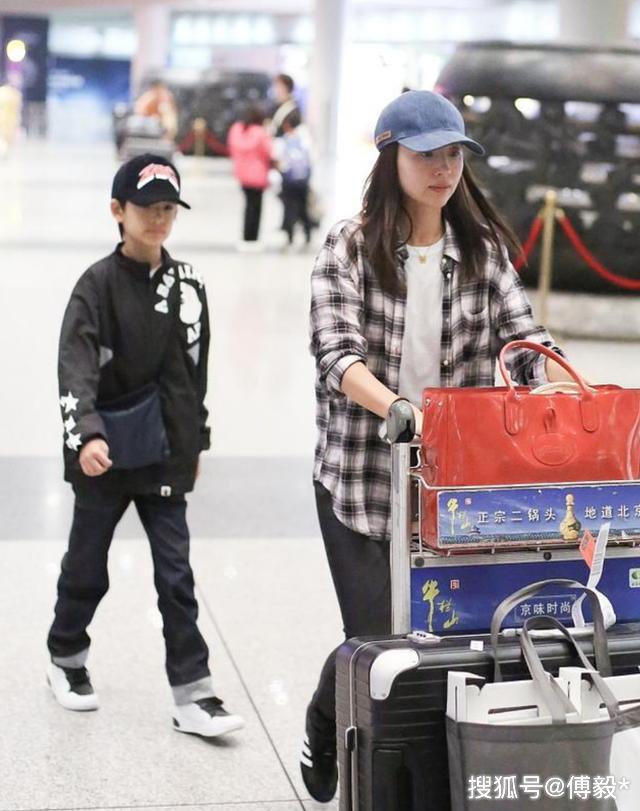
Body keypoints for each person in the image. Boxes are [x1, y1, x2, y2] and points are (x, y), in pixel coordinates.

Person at [302, 90, 575, 802]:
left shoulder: (481, 250)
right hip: (361, 478)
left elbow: (523, 339)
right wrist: (396, 408)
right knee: (375, 638)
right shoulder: (347, 246)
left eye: (454, 154)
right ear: (391, 157)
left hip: (446, 489)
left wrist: (556, 386)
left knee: (430, 641)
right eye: (427, 155)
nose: (443, 169)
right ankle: (327, 718)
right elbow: (336, 354)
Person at [46, 153, 244, 739]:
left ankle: (193, 694)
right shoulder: (95, 286)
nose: (159, 220)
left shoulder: (189, 286)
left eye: (168, 210)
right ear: (118, 210)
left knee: (176, 576)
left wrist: (196, 442)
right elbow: (74, 366)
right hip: (103, 454)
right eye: (147, 208)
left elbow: (193, 373)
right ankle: (65, 657)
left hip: (163, 453)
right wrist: (86, 434)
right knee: (87, 565)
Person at [226, 104, 272, 248]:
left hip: (242, 173)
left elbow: (231, 148)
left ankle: (246, 236)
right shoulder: (261, 133)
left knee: (248, 206)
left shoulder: (236, 130)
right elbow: (268, 151)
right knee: (256, 207)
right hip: (258, 174)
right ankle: (254, 238)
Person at [276, 109, 314, 247]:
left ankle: (290, 236)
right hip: (302, 180)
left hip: (288, 180)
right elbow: (311, 159)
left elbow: (279, 161)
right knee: (303, 207)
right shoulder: (304, 139)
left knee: (289, 208)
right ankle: (307, 233)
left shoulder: (282, 141)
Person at [269, 73, 298, 137]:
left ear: (286, 87)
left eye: (278, 86)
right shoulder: (273, 107)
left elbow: (293, 133)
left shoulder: (293, 110)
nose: (275, 89)